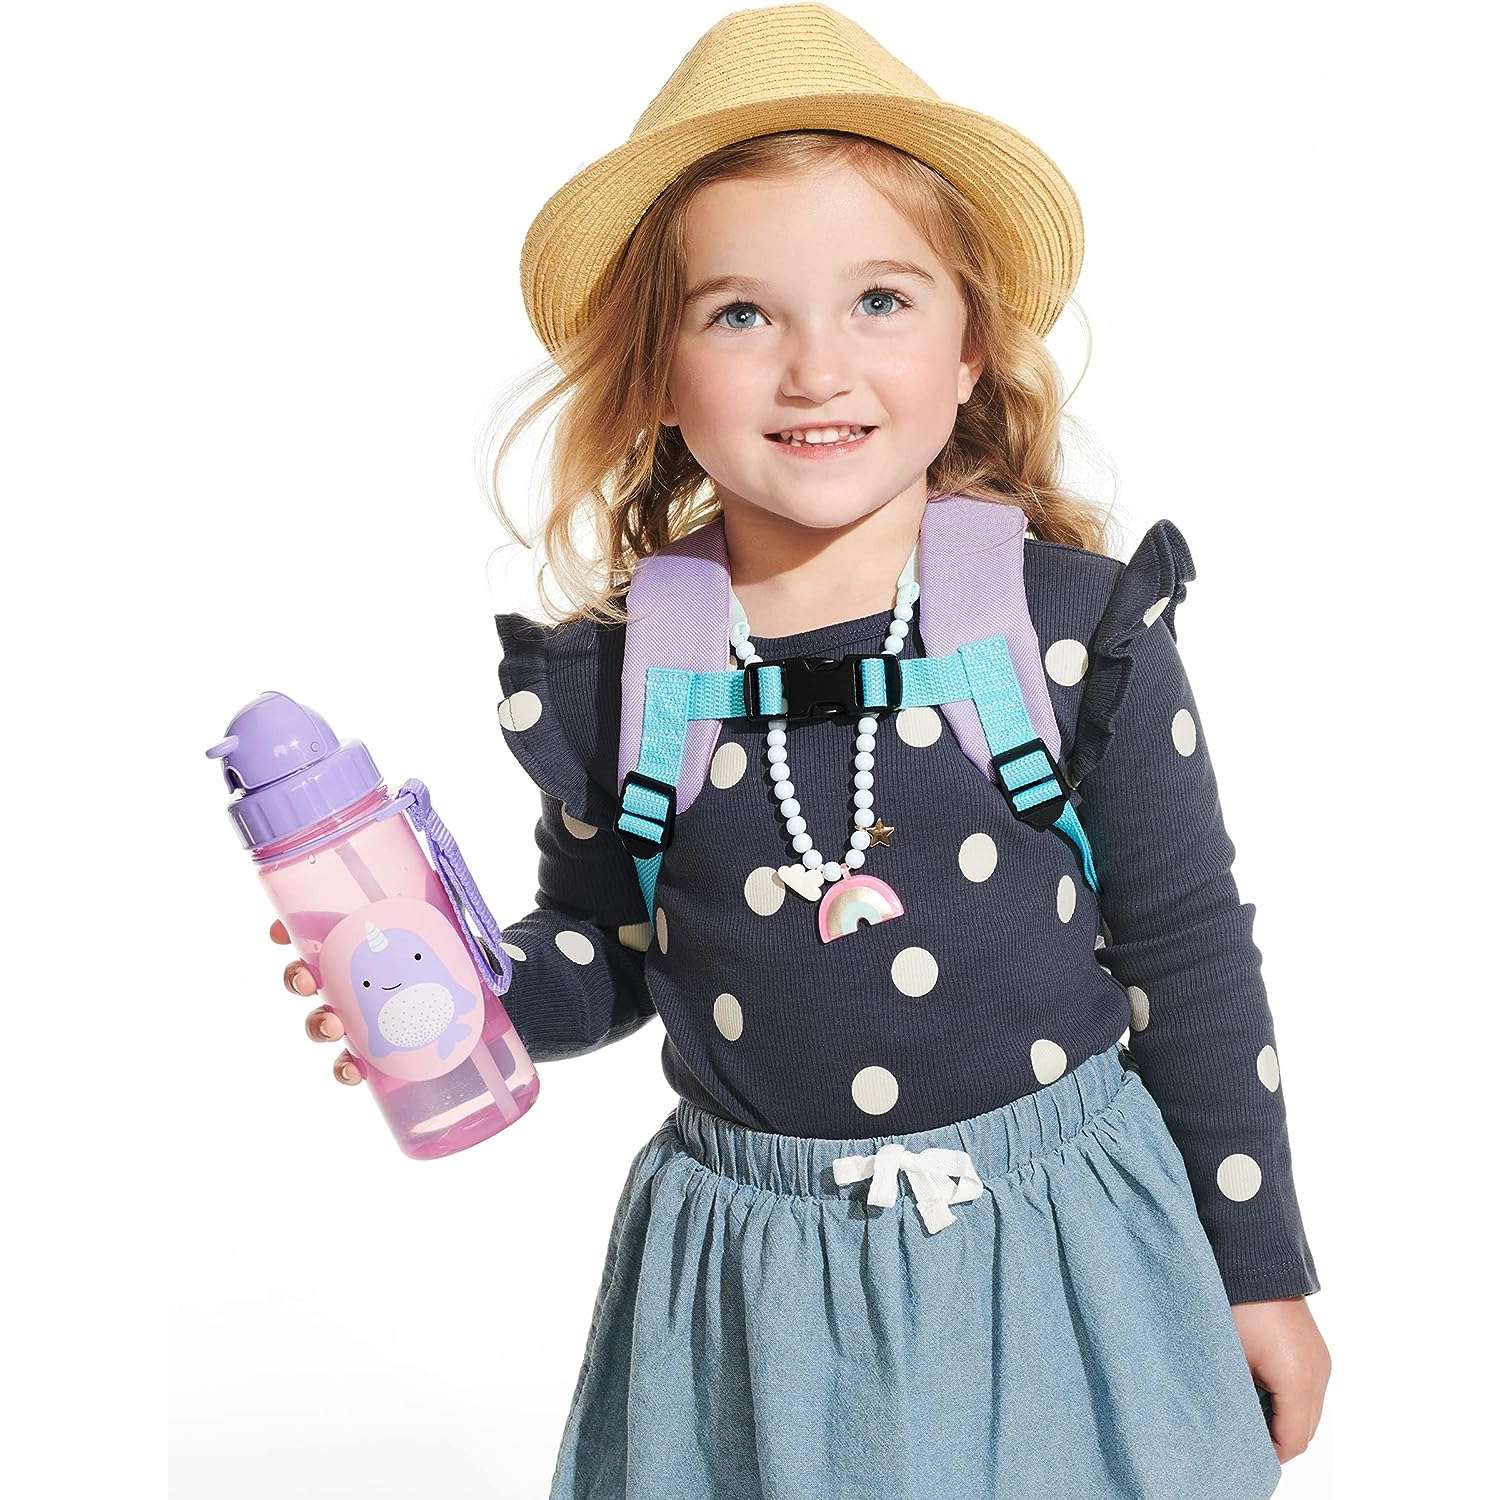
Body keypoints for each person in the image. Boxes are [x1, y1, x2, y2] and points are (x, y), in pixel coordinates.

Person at [275, 4, 1332, 1494]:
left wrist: (1259, 1269)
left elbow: (1189, 949)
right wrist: (465, 988)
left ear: (970, 347)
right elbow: (606, 952)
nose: (816, 368)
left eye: (880, 299)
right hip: (756, 1299)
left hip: (1068, 1257)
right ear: (655, 373)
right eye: (740, 314)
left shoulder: (1073, 632)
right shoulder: (625, 675)